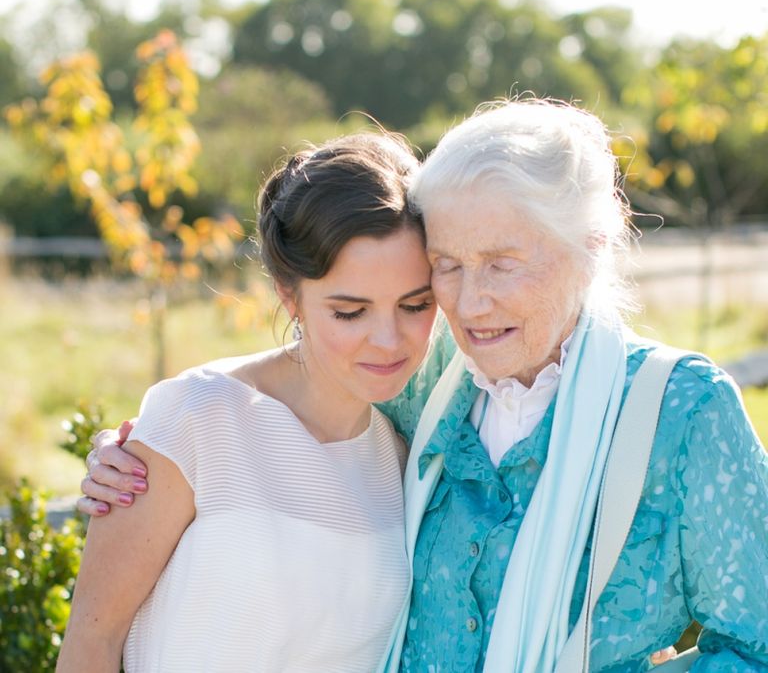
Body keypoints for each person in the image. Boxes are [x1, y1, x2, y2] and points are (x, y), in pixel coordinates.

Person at [78, 99, 768, 671]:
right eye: (447, 265)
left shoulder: (683, 413)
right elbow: (312, 373)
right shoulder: (427, 386)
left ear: (588, 247)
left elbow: (755, 642)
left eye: (501, 263)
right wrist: (151, 446)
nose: (469, 305)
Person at [57, 131, 438, 672]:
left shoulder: (403, 458)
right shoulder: (194, 418)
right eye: (350, 311)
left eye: (415, 304)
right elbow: (91, 643)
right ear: (290, 295)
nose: (388, 339)